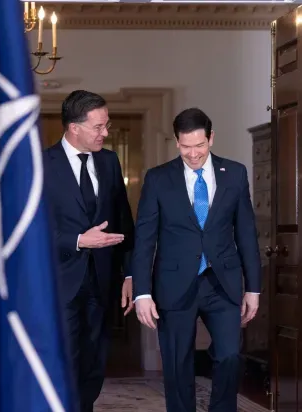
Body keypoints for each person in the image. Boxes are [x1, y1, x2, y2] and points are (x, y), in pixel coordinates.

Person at [131, 107, 261, 411]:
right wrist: (142, 292)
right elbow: (145, 239)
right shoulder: (158, 178)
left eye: (199, 145)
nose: (193, 154)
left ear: (211, 138)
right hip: (174, 283)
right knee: (177, 364)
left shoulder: (235, 173)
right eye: (185, 146)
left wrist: (253, 289)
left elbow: (246, 233)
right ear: (177, 142)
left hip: (222, 282)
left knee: (230, 355)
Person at [42, 90, 135, 412]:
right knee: (65, 359)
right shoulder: (41, 164)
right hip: (60, 282)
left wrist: (129, 274)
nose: (105, 133)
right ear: (74, 127)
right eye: (98, 127)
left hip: (103, 281)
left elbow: (124, 220)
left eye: (106, 125)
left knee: (94, 362)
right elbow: (30, 230)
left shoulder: (110, 162)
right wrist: (79, 240)